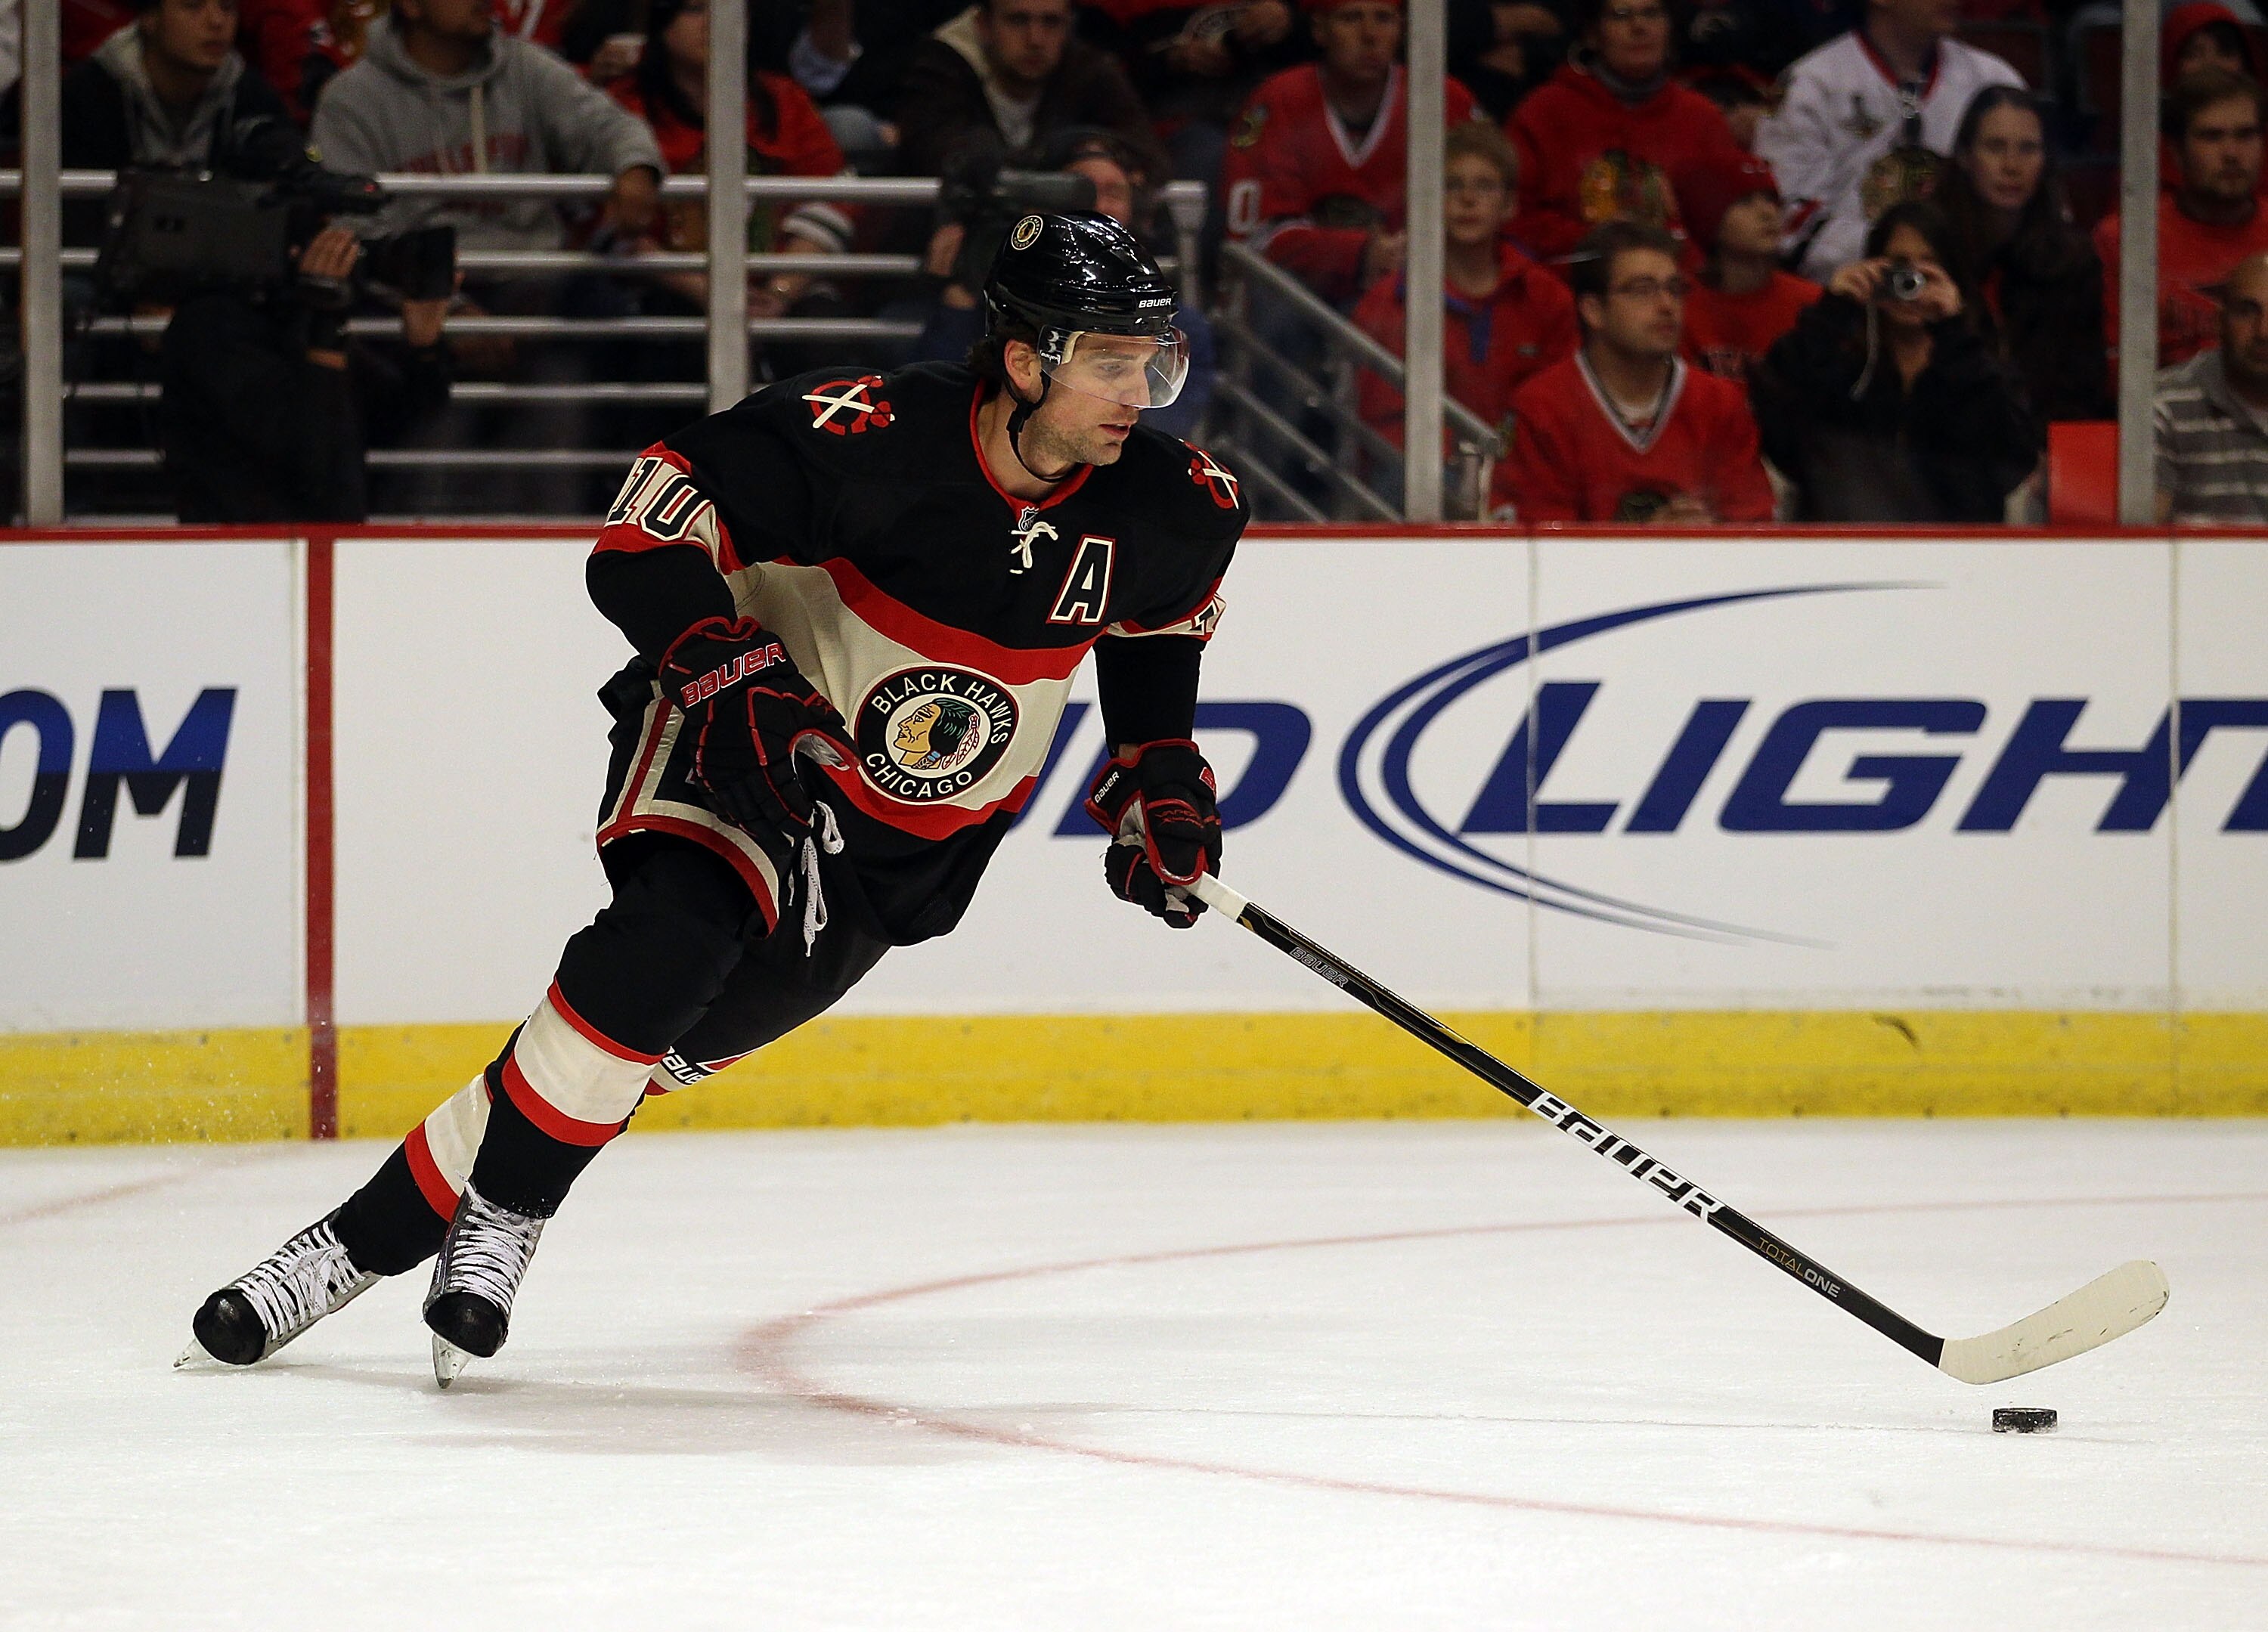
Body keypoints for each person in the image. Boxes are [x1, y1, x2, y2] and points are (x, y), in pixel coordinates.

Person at [179, 213, 1249, 1386]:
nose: (1139, 391)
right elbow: (644, 527)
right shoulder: (867, 435)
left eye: (1150, 361)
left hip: (901, 854)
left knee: (625, 1050)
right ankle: (492, 1220)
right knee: (663, 952)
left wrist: (1160, 781)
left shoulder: (1179, 505)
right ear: (1024, 358)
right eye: (1109, 361)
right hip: (746, 748)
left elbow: (1154, 647)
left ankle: (347, 1242)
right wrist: (723, 666)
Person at [910, 126, 1218, 439]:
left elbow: (1152, 438)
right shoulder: (1001, 304)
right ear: (1040, 205)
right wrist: (962, 297)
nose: (1098, 207)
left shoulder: (1176, 325)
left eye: (1113, 193)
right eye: (1079, 193)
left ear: (1135, 209)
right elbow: (935, 411)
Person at [1750, 200, 2040, 522]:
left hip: (1954, 545)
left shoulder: (1979, 366)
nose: (1911, 282)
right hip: (1845, 540)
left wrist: (1954, 334)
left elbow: (2012, 464)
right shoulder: (1842, 362)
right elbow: (1779, 436)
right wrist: (1831, 314)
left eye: (1928, 267)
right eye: (1898, 266)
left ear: (1953, 276)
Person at [607, 0, 856, 370]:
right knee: (667, 337)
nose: (712, 21)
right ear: (662, 22)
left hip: (775, 285)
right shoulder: (623, 105)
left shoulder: (783, 100)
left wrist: (779, 292)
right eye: (694, 8)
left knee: (825, 336)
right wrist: (708, 291)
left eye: (727, 8)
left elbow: (834, 199)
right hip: (663, 288)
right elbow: (609, 224)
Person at [308, 0, 664, 256]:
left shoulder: (525, 66)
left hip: (533, 277)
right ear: (411, 5)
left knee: (610, 307)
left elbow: (608, 125)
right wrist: (444, 303)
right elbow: (355, 228)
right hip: (415, 294)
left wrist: (635, 167)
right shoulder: (350, 100)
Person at [159, 227, 454, 521]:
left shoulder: (304, 322)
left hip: (335, 539)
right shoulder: (209, 327)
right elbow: (309, 461)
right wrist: (324, 328)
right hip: (244, 542)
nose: (329, 254)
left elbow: (397, 425)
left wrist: (424, 348)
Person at [1498, 219, 1774, 522]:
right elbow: (1544, 540)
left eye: (1674, 289)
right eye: (1643, 290)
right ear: (1593, 310)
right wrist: (1648, 542)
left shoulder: (1720, 403)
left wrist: (1705, 537)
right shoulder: (1542, 407)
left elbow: (1754, 526)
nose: (1667, 305)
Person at [1352, 119, 1577, 485]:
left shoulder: (1547, 299)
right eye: (1451, 185)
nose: (1467, 199)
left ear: (1510, 205)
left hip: (1526, 479)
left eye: (1484, 186)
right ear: (1427, 200)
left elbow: (1564, 412)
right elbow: (1387, 427)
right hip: (1423, 484)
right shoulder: (1388, 303)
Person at [1220, 0, 1480, 305]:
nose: (1370, 35)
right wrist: (1358, 252)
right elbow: (1257, 237)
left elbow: (1488, 213)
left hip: (1414, 289)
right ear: (1319, 29)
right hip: (1303, 295)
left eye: (1384, 18)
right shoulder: (1278, 100)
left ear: (1402, 28)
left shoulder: (1446, 101)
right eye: (1351, 18)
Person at [1755, 0, 2023, 282]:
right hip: (1844, 289)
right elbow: (1787, 219)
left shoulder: (1992, 79)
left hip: (1973, 284)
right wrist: (1893, 259)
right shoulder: (1810, 85)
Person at [1501, 0, 1745, 266]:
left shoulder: (1703, 117)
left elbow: (1733, 229)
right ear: (1593, 35)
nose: (1639, 26)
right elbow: (1511, 216)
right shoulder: (1544, 112)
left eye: (1652, 13)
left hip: (1683, 281)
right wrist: (1598, 241)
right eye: (1620, 15)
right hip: (1569, 281)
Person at [1935, 85, 2110, 423]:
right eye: (1995, 147)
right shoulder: (1931, 246)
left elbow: (2081, 386)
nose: (2012, 166)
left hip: (2041, 435)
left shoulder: (2073, 260)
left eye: (2028, 149)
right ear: (1964, 156)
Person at [2097, 67, 2268, 377]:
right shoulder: (2124, 239)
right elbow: (2113, 370)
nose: (2232, 153)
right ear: (2176, 152)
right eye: (2212, 137)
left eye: (2245, 135)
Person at [894, 0, 1167, 187]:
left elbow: (1149, 156)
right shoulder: (941, 68)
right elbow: (941, 156)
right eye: (1018, 20)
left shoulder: (1088, 68)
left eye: (1051, 22)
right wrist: (1074, 160)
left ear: (1068, 26)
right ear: (983, 26)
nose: (1035, 39)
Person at [56, 0, 290, 173]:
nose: (217, 21)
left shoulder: (253, 99)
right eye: (193, 6)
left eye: (227, 7)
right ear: (149, 18)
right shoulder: (85, 99)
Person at [1673, 147, 1820, 384]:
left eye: (1772, 200)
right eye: (1745, 202)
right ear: (1708, 216)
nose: (1768, 213)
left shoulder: (1811, 302)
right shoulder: (1677, 306)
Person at [2155, 249, 2268, 522]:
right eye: (2247, 312)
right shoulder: (2166, 405)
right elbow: (2142, 539)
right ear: (2219, 322)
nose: (2264, 332)